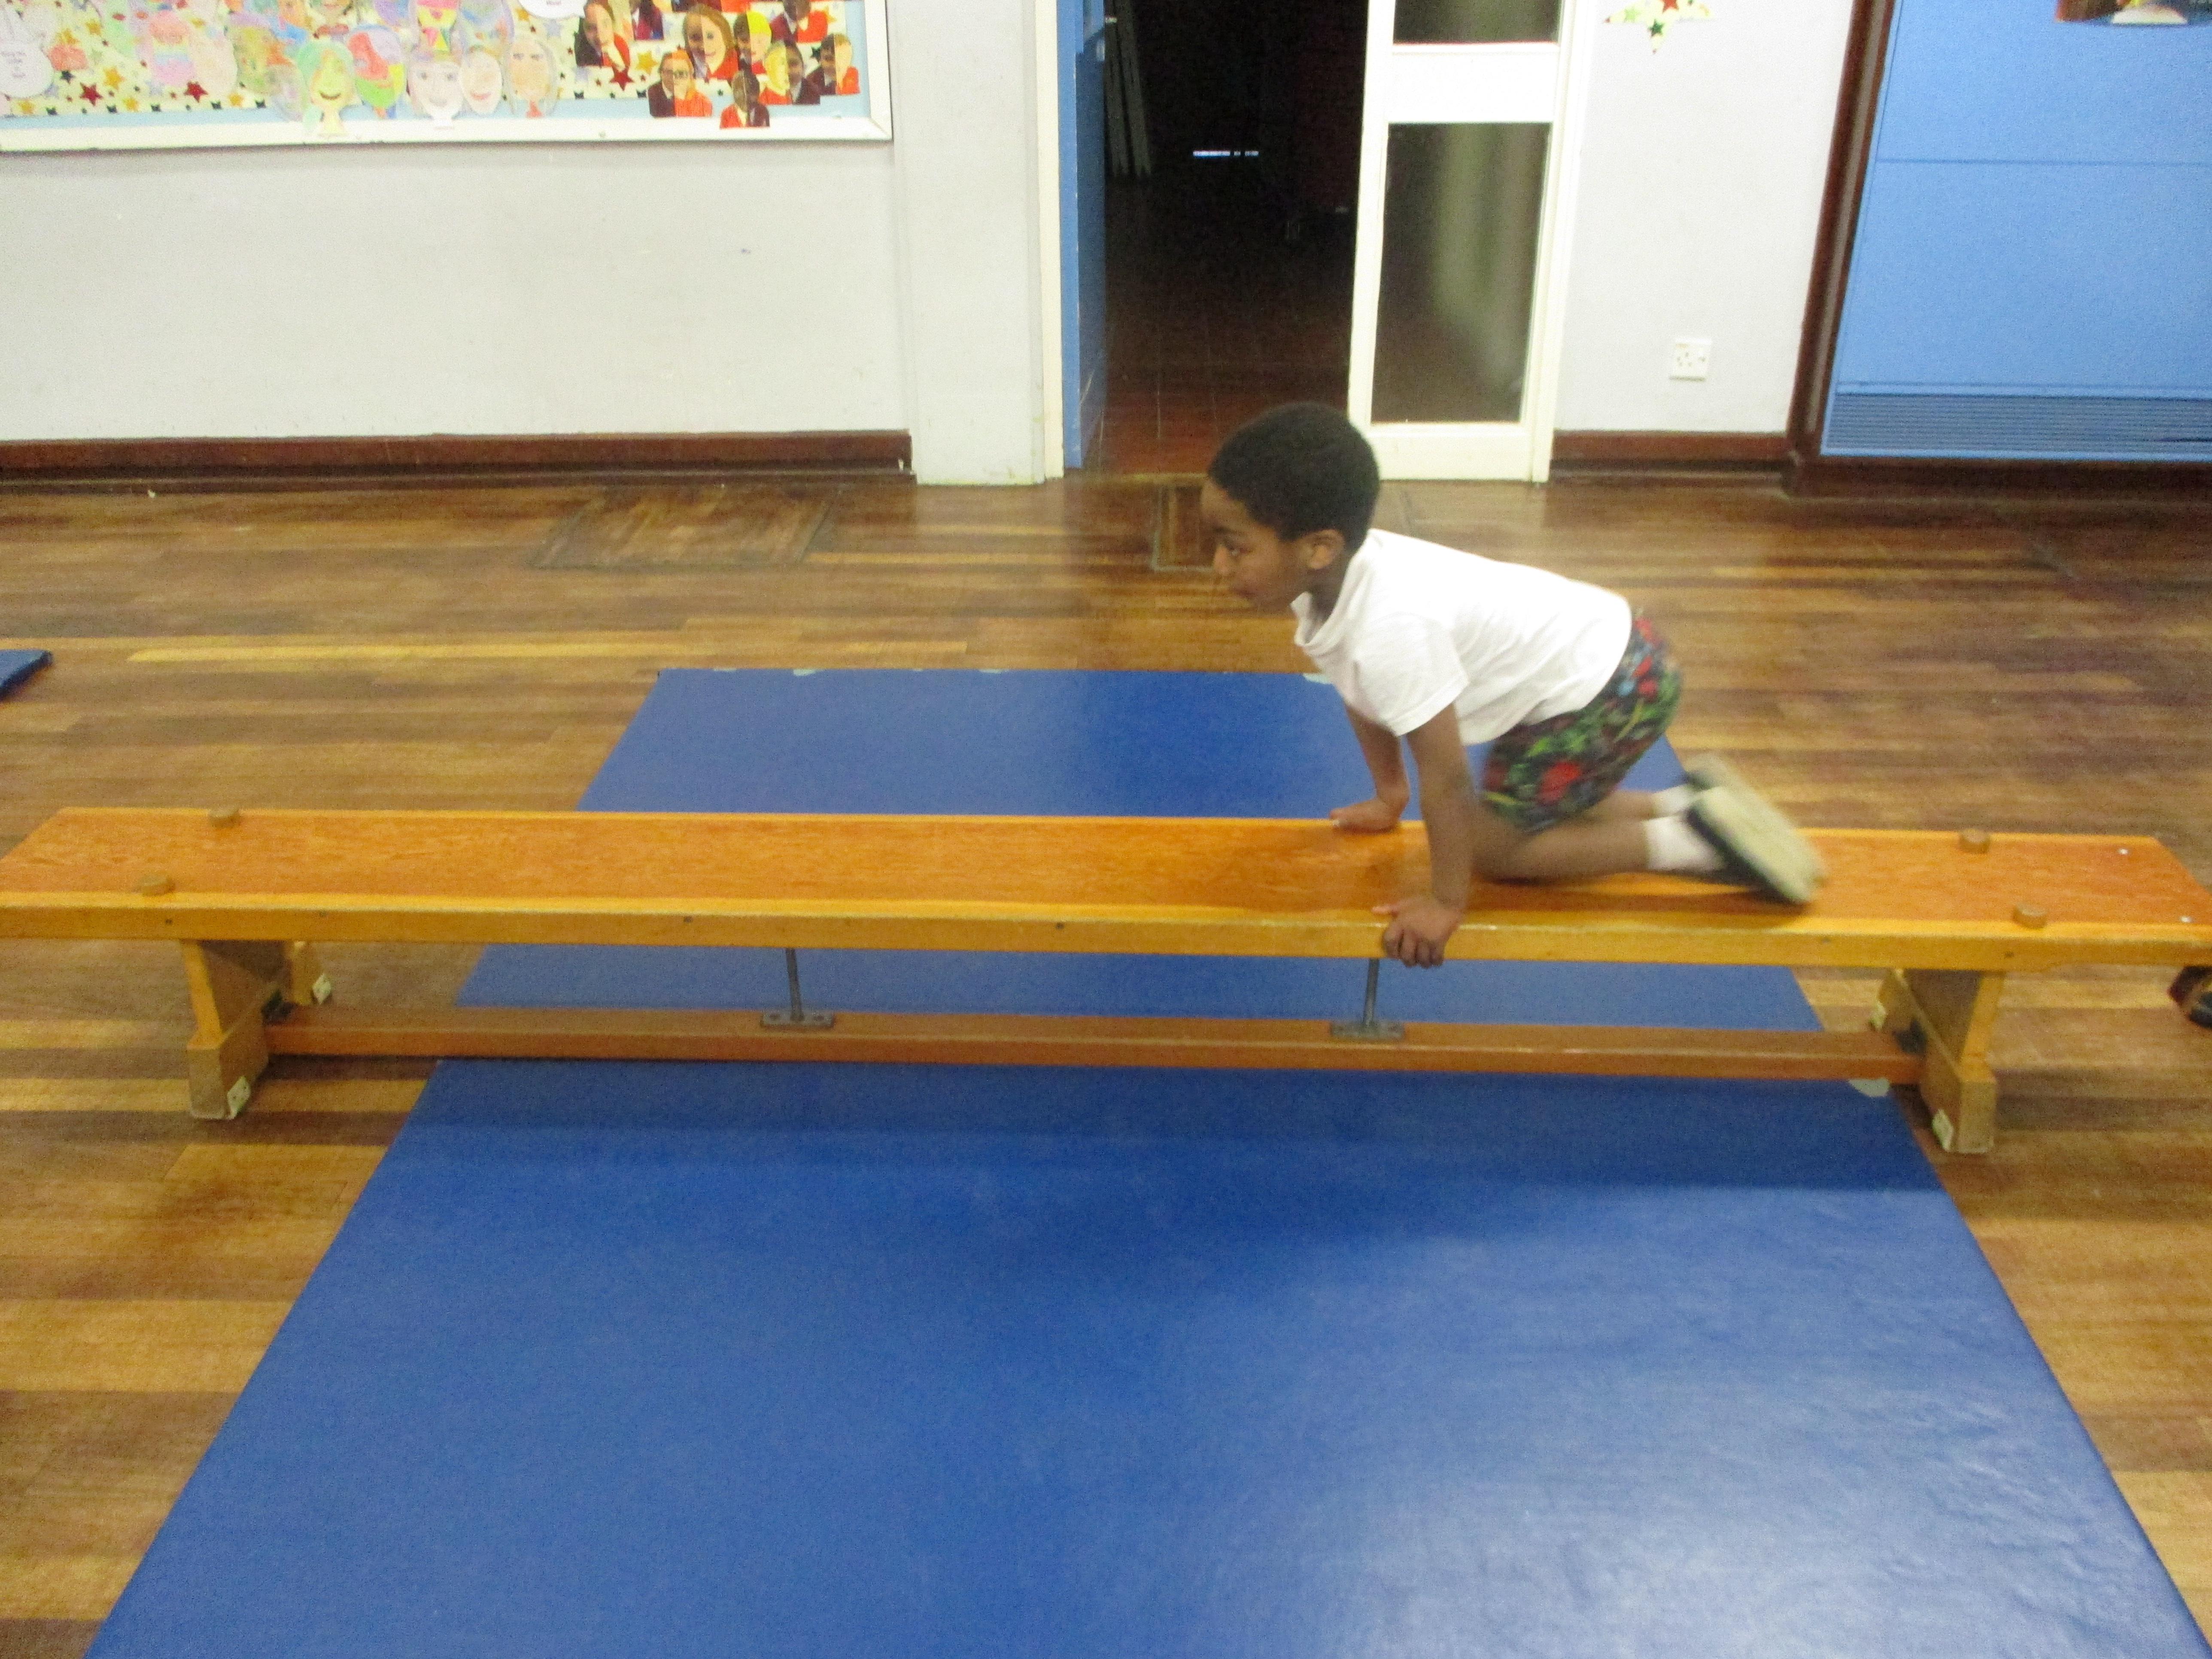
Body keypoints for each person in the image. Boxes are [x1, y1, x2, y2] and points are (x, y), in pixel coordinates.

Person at [1202, 403, 1826, 969]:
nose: (1218, 566)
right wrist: (1390, 796)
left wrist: (1447, 900)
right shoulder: (1332, 583)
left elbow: (1447, 779)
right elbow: (1359, 689)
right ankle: (1686, 802)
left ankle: (1691, 841)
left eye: (1235, 548)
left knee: (1493, 848)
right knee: (1527, 802)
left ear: (1318, 548)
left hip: (1613, 685)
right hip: (1607, 658)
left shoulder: (1389, 628)